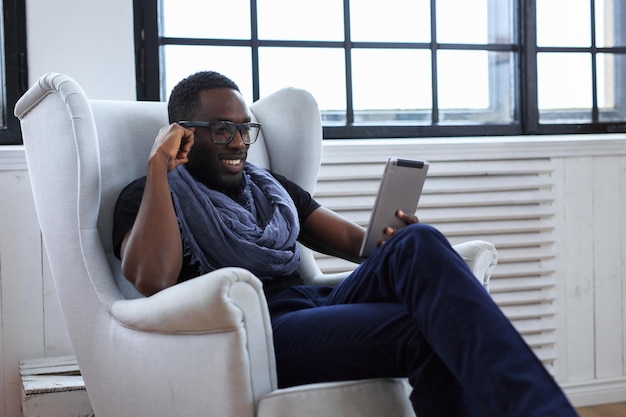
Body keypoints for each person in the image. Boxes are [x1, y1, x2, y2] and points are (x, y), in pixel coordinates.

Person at [113, 70, 579, 417]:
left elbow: (363, 246)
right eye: (222, 129)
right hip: (260, 333)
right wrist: (159, 168)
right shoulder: (148, 196)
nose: (239, 142)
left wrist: (392, 238)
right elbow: (152, 278)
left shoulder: (269, 189)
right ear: (183, 133)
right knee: (423, 331)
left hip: (320, 304)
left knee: (417, 240)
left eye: (244, 128)